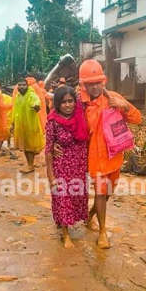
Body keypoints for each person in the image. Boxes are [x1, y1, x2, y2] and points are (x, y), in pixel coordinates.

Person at [79, 59, 142, 249]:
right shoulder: (79, 104)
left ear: (103, 81)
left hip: (114, 156)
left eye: (98, 82)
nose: (95, 87)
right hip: (94, 158)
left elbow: (138, 119)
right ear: (84, 85)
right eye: (90, 84)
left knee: (107, 194)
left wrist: (124, 106)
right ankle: (102, 231)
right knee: (100, 192)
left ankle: (91, 215)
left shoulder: (113, 98)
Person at [46, 86, 89, 248]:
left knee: (75, 198)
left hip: (78, 166)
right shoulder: (53, 122)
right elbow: (48, 150)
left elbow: (90, 95)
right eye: (63, 102)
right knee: (63, 198)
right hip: (62, 166)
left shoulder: (80, 115)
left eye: (70, 101)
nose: (68, 105)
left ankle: (66, 223)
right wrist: (51, 176)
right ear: (57, 104)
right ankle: (65, 235)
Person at [11, 78, 45, 173]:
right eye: (20, 85)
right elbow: (15, 110)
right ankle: (30, 164)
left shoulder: (31, 94)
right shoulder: (18, 96)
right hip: (21, 126)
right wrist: (13, 123)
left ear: (27, 86)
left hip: (31, 125)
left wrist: (36, 106)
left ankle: (30, 165)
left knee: (30, 146)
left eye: (23, 85)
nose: (21, 87)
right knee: (25, 146)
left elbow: (36, 101)